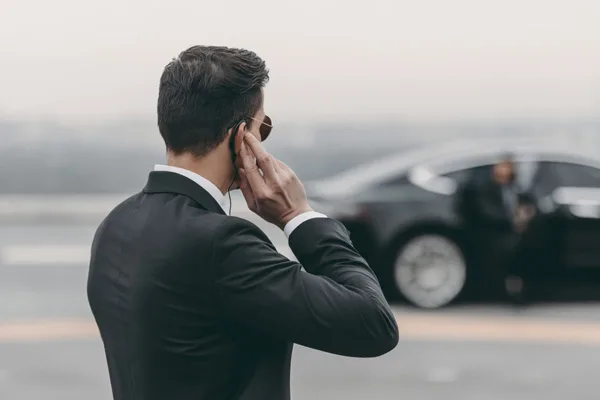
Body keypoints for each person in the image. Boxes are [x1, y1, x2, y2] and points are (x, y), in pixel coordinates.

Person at [87, 45, 399, 400]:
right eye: (262, 127)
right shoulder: (221, 244)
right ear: (241, 137)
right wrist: (299, 217)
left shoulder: (115, 226)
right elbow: (373, 325)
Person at [457, 153, 534, 304]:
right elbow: (488, 213)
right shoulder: (485, 188)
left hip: (515, 234)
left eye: (508, 166)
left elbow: (529, 204)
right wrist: (513, 221)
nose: (505, 170)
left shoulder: (516, 188)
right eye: (502, 166)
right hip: (494, 234)